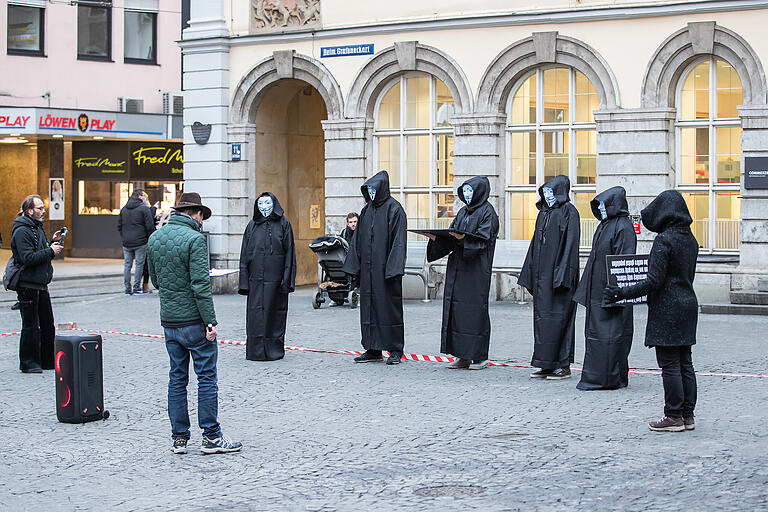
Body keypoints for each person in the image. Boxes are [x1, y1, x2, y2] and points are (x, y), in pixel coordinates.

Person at [147, 192, 241, 455]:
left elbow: (155, 280)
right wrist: (210, 322)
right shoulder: (195, 240)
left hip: (169, 320)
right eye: (202, 216)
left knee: (177, 378)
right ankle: (211, 436)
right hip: (193, 321)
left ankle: (179, 439)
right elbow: (201, 285)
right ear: (196, 213)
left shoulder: (155, 238)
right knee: (206, 377)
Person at [605, 190, 699, 432]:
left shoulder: (664, 240)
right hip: (688, 304)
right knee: (684, 362)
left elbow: (653, 281)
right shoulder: (690, 239)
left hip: (668, 308)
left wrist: (621, 293)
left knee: (669, 363)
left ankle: (673, 415)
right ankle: (687, 415)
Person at [426, 176, 499, 370]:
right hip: (458, 267)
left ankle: (479, 356)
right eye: (464, 191)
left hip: (476, 270)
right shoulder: (463, 212)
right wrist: (436, 239)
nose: (467, 195)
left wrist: (461, 239)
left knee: (474, 312)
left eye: (470, 191)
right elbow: (452, 236)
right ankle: (462, 355)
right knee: (456, 311)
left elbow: (482, 240)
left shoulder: (488, 213)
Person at [573, 186, 637, 390]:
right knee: (597, 336)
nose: (600, 210)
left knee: (612, 335)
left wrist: (616, 291)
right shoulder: (605, 225)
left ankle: (611, 377)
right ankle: (598, 374)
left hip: (611, 294)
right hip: (597, 292)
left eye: (603, 205)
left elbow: (623, 262)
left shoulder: (623, 227)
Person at [518, 175, 580, 380]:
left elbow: (570, 246)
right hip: (542, 278)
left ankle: (563, 364)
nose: (548, 197)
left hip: (559, 279)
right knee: (543, 321)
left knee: (561, 319)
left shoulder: (570, 212)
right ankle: (545, 363)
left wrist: (561, 275)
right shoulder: (543, 213)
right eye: (545, 193)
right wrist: (529, 273)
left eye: (551, 193)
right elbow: (535, 243)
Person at [343, 170, 407, 365]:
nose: (371, 194)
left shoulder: (394, 209)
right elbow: (357, 240)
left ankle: (395, 349)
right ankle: (372, 348)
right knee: (369, 308)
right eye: (368, 190)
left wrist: (394, 269)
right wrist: (355, 268)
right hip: (368, 270)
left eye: (373, 190)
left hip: (385, 271)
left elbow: (399, 241)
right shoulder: (366, 210)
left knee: (389, 309)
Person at [238, 192, 296, 361]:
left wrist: (287, 280)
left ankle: (273, 350)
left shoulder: (284, 224)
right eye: (261, 204)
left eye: (267, 203)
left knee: (275, 314)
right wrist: (244, 282)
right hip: (256, 280)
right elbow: (244, 255)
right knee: (255, 316)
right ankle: (256, 351)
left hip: (276, 281)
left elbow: (290, 253)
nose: (264, 208)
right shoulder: (251, 226)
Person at [10, 195, 64, 373]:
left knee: (48, 324)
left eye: (43, 208)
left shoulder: (37, 228)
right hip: (27, 284)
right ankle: (28, 363)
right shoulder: (21, 231)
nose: (43, 211)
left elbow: (40, 250)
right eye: (40, 208)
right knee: (30, 325)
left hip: (41, 284)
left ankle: (47, 360)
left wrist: (52, 242)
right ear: (30, 210)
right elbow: (28, 258)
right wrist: (50, 251)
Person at [118, 189, 155, 295]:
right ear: (140, 197)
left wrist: (124, 237)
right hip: (141, 242)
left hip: (126, 242)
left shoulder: (124, 209)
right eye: (144, 196)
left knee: (127, 265)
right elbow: (149, 226)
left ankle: (127, 289)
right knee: (139, 264)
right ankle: (137, 288)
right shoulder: (144, 209)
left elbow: (119, 226)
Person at [140, 196, 158, 294]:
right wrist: (153, 209)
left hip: (136, 240)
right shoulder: (143, 209)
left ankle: (134, 287)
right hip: (144, 240)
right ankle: (143, 285)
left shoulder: (128, 209)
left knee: (135, 264)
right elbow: (149, 225)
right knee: (145, 264)